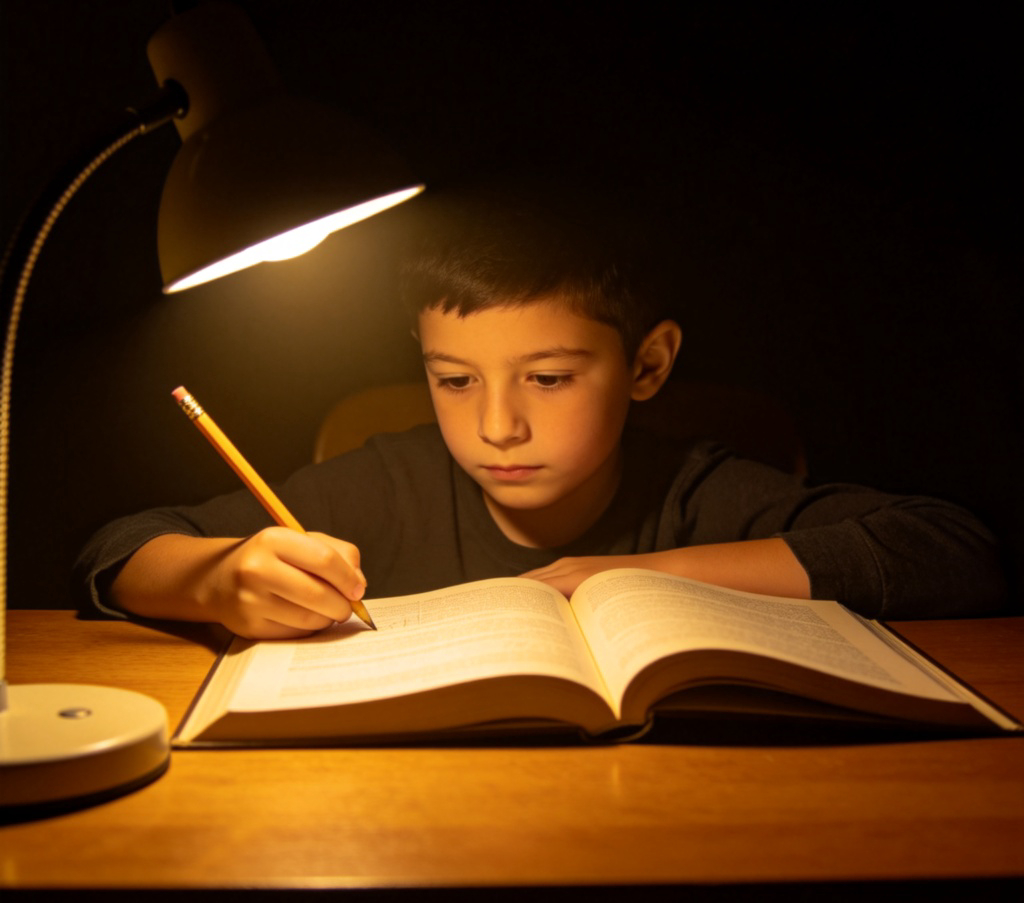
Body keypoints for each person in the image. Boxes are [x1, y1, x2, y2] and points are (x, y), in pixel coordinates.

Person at [75, 187, 1008, 639]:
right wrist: (216, 580)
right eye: (455, 380)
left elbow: (955, 549)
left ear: (647, 365)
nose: (497, 427)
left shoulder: (698, 491)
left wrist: (623, 579)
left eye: (550, 379)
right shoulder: (390, 483)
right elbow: (120, 547)